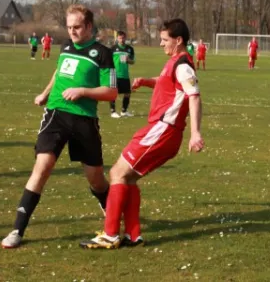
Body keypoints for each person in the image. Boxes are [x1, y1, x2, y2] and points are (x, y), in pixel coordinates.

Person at [79, 18, 204, 249]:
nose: (160, 44)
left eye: (164, 40)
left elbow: (194, 96)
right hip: (161, 129)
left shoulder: (184, 65)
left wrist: (195, 133)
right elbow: (166, 82)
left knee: (117, 172)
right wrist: (146, 82)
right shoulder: (176, 62)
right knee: (129, 177)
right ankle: (133, 235)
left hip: (164, 129)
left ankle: (110, 234)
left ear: (178, 40)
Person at [1, 4, 118, 249]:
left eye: (77, 27)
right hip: (56, 114)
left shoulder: (103, 53)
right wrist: (45, 93)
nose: (72, 32)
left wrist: (83, 91)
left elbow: (111, 92)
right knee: (42, 167)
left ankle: (111, 214)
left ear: (88, 26)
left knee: (96, 179)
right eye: (69, 27)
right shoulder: (65, 47)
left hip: (85, 120)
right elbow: (59, 70)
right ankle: (17, 230)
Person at [110, 30, 135, 118]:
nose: (122, 40)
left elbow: (133, 61)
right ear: (117, 38)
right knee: (113, 93)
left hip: (125, 74)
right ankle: (113, 111)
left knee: (127, 93)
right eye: (120, 38)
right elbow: (108, 60)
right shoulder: (113, 48)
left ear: (125, 38)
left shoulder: (130, 49)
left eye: (123, 38)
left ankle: (124, 111)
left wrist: (129, 60)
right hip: (114, 73)